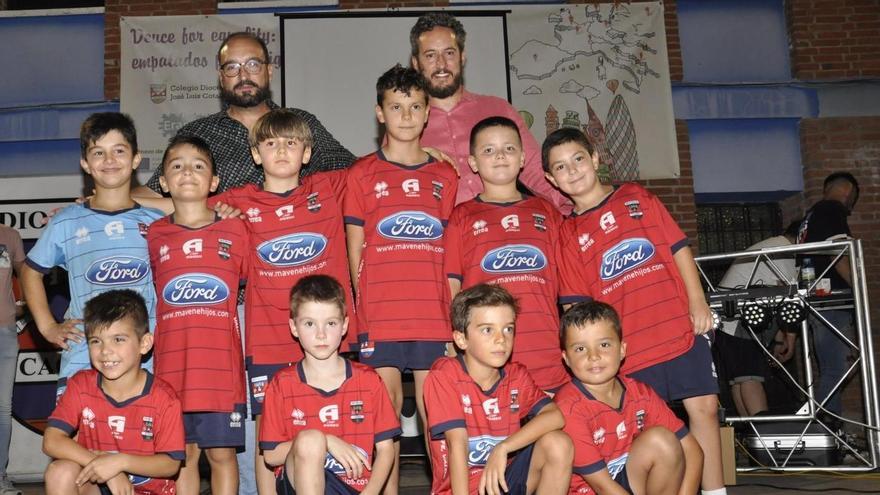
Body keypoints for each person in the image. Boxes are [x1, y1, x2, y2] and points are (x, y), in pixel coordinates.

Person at [544, 128, 727, 495]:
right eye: (561, 167)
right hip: (630, 348)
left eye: (578, 159)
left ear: (595, 158)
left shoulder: (636, 196)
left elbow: (677, 248)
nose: (573, 170)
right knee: (642, 433)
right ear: (551, 179)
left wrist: (697, 300)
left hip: (676, 327)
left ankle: (717, 492)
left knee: (705, 410)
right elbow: (578, 305)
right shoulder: (568, 232)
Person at [210, 108, 356, 494]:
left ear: (307, 153)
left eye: (291, 143)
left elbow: (385, 167)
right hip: (269, 338)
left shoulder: (329, 187)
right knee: (268, 439)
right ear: (256, 154)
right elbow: (182, 197)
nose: (281, 151)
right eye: (270, 143)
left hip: (329, 334)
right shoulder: (237, 201)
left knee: (339, 423)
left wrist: (431, 152)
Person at [343, 65, 458, 493]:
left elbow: (452, 252)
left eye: (414, 106)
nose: (406, 115)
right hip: (382, 315)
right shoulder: (361, 173)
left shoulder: (445, 175)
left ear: (428, 112)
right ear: (380, 113)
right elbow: (355, 248)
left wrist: (454, 315)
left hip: (433, 315)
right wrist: (360, 313)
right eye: (396, 107)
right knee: (385, 413)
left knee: (438, 416)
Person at [21, 113, 164, 394]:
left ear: (136, 159)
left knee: (140, 437)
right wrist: (48, 326)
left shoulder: (157, 221)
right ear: (86, 164)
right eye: (99, 152)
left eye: (119, 151)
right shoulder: (67, 221)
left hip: (145, 359)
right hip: (83, 359)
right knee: (76, 438)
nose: (109, 160)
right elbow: (29, 272)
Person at [134, 31, 355, 208]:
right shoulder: (197, 135)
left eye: (252, 65)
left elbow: (356, 172)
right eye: (232, 67)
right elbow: (154, 191)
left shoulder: (301, 123)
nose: (243, 76)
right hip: (227, 258)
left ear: (269, 71)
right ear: (221, 79)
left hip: (299, 253)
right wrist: (103, 202)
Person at [146, 135, 249, 495]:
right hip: (171, 370)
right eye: (176, 166)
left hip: (221, 370)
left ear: (214, 183)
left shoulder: (236, 229)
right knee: (182, 457)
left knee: (221, 454)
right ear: (162, 181)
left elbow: (259, 285)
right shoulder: (154, 234)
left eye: (198, 166)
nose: (187, 172)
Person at [444, 116, 567, 392]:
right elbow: (451, 286)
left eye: (509, 149)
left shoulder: (547, 212)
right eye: (488, 150)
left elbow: (569, 282)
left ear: (523, 158)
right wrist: (455, 344)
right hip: (485, 359)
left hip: (545, 353)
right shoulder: (462, 216)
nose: (500, 155)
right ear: (473, 163)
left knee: (555, 434)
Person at [410, 12, 570, 212]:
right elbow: (386, 183)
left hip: (505, 230)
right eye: (430, 55)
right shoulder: (405, 124)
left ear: (462, 56)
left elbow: (534, 170)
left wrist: (572, 205)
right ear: (416, 63)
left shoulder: (498, 109)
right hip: (440, 239)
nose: (441, 64)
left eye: (449, 53)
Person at [423, 284, 572, 495]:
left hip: (502, 483)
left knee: (558, 443)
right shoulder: (444, 376)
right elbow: (457, 444)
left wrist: (503, 448)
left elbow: (555, 416)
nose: (501, 338)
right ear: (461, 339)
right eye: (487, 329)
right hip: (461, 489)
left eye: (508, 328)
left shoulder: (516, 375)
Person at [259, 275, 400, 495]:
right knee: (310, 440)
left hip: (356, 487)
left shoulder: (369, 380)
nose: (321, 334)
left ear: (344, 325)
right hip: (298, 483)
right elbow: (271, 455)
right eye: (309, 323)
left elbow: (386, 450)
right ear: (294, 327)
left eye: (331, 323)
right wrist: (326, 440)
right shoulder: (281, 384)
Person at [42, 289, 184, 495]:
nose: (105, 351)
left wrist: (120, 463)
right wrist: (106, 467)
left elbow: (171, 465)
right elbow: (51, 440)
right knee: (60, 472)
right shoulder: (81, 385)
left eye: (118, 339)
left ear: (144, 343)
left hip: (146, 491)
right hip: (98, 485)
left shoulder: (164, 398)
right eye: (96, 341)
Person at [555, 301, 703, 495]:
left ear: (622, 349)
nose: (594, 356)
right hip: (594, 490)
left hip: (628, 482)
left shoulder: (640, 393)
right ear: (566, 358)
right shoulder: (569, 407)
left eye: (604, 344)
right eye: (580, 349)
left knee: (662, 441)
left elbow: (693, 452)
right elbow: (602, 486)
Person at [716, 221, 800, 417]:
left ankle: (751, 434)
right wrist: (790, 341)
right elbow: (790, 300)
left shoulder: (770, 245)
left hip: (727, 323)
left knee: (740, 380)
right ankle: (763, 433)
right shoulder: (783, 250)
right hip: (739, 321)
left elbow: (778, 299)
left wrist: (780, 339)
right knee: (751, 378)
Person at [797, 172, 860, 417]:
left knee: (839, 365)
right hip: (830, 301)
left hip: (818, 300)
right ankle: (824, 429)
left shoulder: (811, 216)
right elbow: (837, 253)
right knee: (838, 367)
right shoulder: (832, 210)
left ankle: (826, 428)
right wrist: (858, 288)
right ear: (848, 193)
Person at [0, 225, 24, 495]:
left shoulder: (9, 235)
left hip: (4, 333)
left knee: (2, 410)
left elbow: (28, 273)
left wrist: (26, 304)